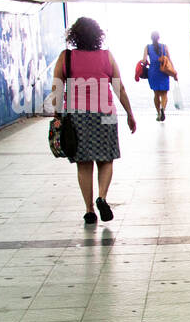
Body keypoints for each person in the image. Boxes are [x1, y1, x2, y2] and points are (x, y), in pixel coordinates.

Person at [51, 17, 136, 225]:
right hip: (105, 114)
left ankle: (89, 210)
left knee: (84, 163)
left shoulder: (66, 57)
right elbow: (120, 88)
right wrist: (130, 114)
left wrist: (57, 114)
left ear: (74, 36)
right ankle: (102, 197)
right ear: (98, 36)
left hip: (77, 116)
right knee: (106, 159)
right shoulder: (107, 57)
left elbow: (57, 88)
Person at [141, 31, 175, 120]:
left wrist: (142, 63)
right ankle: (163, 109)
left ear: (151, 38)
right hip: (163, 71)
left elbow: (144, 60)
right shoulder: (164, 47)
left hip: (153, 72)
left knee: (156, 94)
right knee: (164, 94)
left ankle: (158, 113)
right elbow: (169, 60)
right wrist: (174, 72)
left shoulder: (147, 47)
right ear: (159, 38)